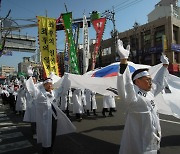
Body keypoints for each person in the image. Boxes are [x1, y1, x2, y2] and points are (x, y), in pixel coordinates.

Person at [116, 39, 169, 154]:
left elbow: (159, 83)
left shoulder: (150, 92)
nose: (151, 82)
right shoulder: (133, 97)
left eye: (150, 80)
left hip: (154, 142)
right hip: (140, 146)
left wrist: (164, 66)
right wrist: (124, 60)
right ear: (137, 82)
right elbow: (125, 84)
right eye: (147, 80)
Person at [25, 77, 76, 154]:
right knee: (46, 134)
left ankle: (50, 149)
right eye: (48, 84)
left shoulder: (54, 92)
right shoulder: (39, 93)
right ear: (44, 85)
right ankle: (45, 150)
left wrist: (66, 78)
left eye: (51, 84)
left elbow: (62, 88)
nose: (50, 86)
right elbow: (31, 89)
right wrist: (30, 76)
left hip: (54, 117)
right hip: (45, 118)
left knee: (52, 134)